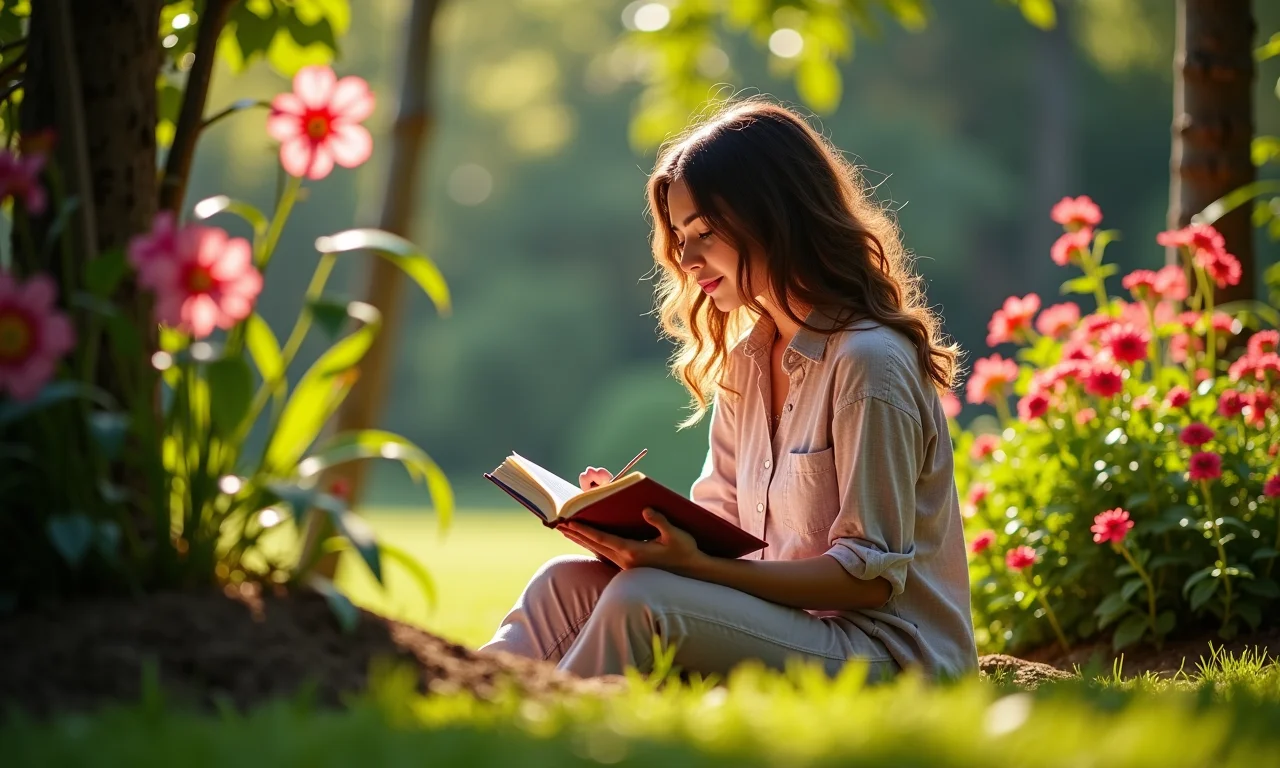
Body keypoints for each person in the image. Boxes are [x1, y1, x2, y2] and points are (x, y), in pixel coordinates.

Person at [479, 98, 977, 682]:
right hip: (785, 625)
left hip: (887, 652)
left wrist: (693, 569)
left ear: (776, 216)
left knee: (643, 602)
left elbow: (868, 580)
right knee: (560, 585)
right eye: (679, 236)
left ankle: (555, 731)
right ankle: (468, 712)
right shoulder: (746, 363)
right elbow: (722, 531)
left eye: (706, 231)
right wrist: (633, 528)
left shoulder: (868, 363)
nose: (687, 259)